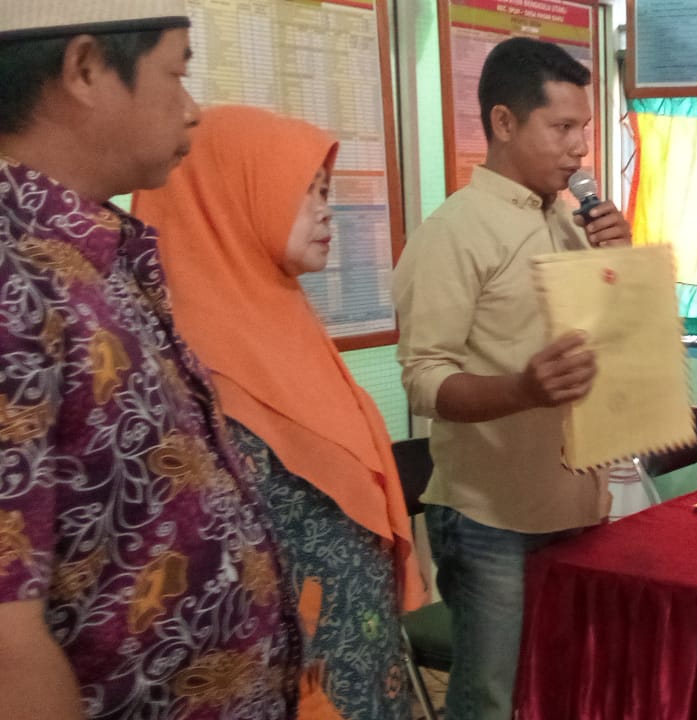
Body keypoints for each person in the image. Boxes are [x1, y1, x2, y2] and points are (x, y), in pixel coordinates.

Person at [0, 4, 299, 718]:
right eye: (175, 74)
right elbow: (8, 646)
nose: (192, 111)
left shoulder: (89, 256)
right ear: (85, 69)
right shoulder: (15, 277)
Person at [131, 104, 428, 720]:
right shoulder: (178, 367)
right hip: (276, 667)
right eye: (306, 190)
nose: (326, 210)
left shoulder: (285, 321)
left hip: (357, 643)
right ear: (230, 197)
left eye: (326, 191)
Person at [392, 37, 631, 720]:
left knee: (567, 685)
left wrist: (625, 267)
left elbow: (606, 343)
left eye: (584, 128)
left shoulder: (575, 221)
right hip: (490, 518)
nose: (579, 149)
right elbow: (424, 380)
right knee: (490, 702)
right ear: (503, 122)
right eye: (561, 127)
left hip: (578, 503)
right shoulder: (454, 232)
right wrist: (522, 390)